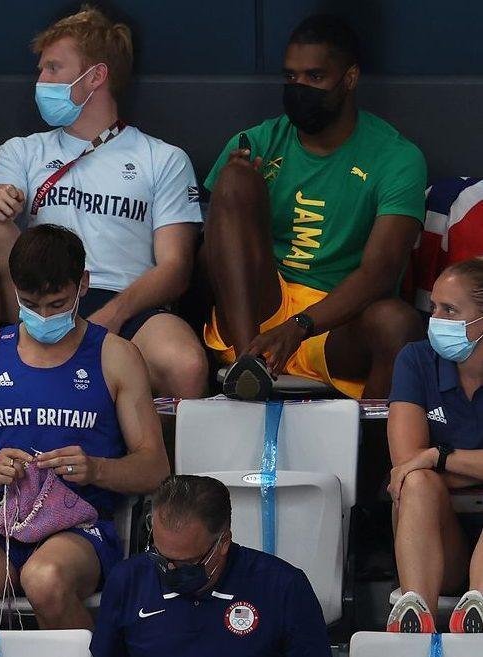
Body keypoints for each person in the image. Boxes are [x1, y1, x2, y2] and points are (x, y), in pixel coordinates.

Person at [0, 4, 206, 401]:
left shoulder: (162, 158)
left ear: (95, 76)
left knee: (187, 366)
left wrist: (111, 316)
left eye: (54, 69)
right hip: (36, 296)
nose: (41, 79)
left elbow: (176, 268)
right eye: (41, 70)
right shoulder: (23, 151)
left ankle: (157, 461)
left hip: (122, 300)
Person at [0, 225, 170, 630]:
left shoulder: (117, 356)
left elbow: (156, 469)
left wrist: (97, 468)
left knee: (45, 578)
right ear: (14, 288)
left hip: (80, 527)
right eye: (31, 304)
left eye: (57, 303)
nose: (44, 316)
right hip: (3, 521)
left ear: (83, 285)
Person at [202, 14, 426, 401]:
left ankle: (374, 455)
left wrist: (300, 325)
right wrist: (243, 200)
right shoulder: (255, 142)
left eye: (315, 77)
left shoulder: (396, 156)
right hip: (256, 315)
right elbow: (210, 254)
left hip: (335, 327)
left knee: (398, 323)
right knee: (236, 177)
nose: (300, 87)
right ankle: (248, 367)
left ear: (350, 78)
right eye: (291, 78)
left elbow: (381, 271)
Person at [91, 475, 330, 657]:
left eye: (186, 562)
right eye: (160, 557)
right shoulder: (127, 580)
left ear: (223, 542)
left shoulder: (283, 587)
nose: (171, 569)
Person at [386, 259, 483, 634]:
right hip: (443, 538)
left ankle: (478, 609)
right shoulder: (416, 359)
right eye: (435, 308)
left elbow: (424, 458)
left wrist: (439, 455)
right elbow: (407, 466)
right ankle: (415, 615)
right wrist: (439, 463)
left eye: (451, 310)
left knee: (426, 475)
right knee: (419, 484)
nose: (436, 319)